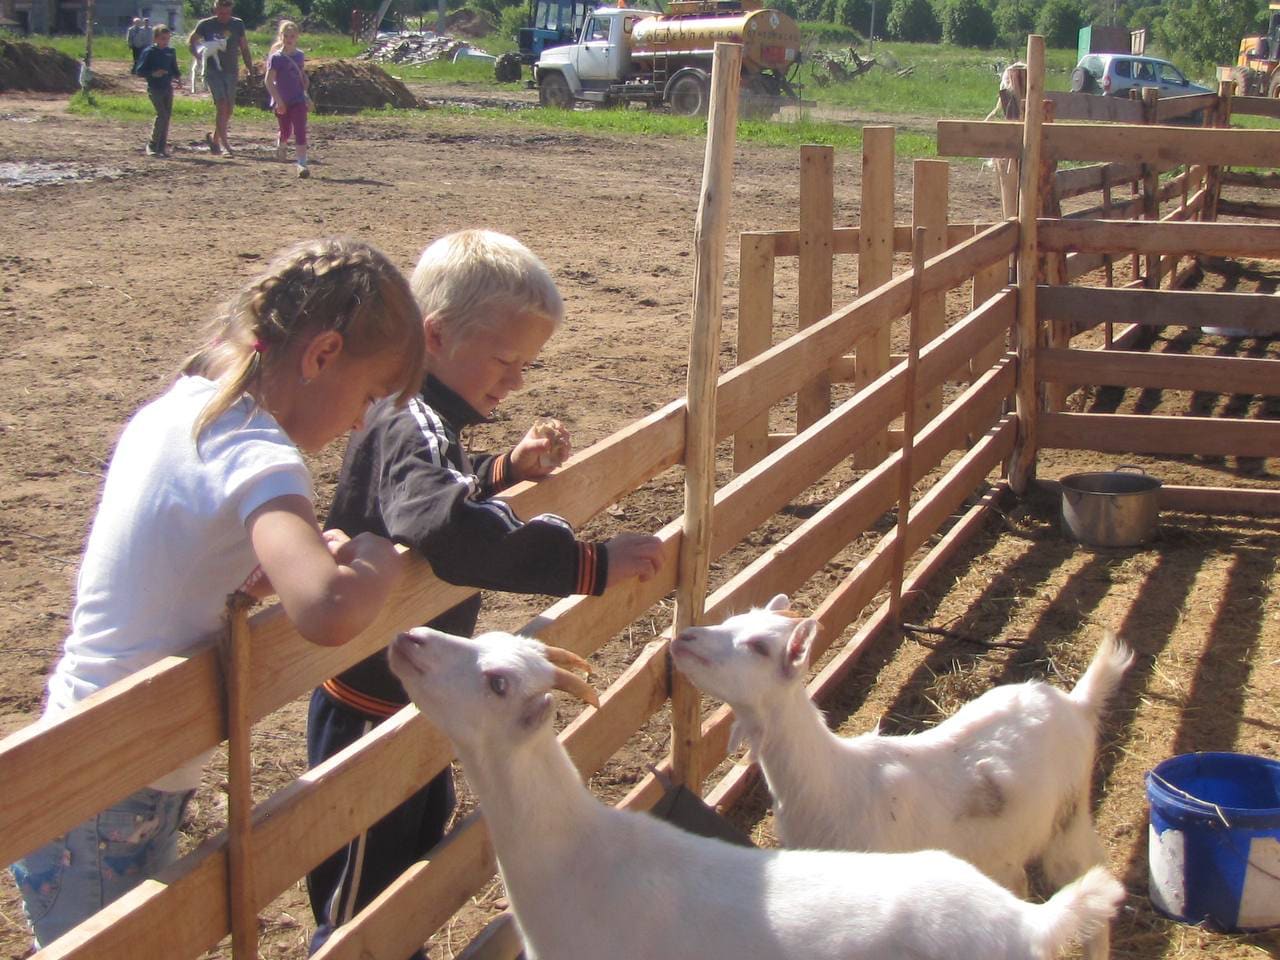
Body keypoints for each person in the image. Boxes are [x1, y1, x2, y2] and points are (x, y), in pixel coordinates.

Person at [9, 238, 427, 951]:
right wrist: (381, 553)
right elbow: (327, 609)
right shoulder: (260, 452)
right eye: (367, 397)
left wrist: (260, 567)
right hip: (115, 774)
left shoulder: (185, 407)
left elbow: (182, 550)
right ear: (323, 355)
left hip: (88, 753)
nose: (361, 422)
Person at [305, 230, 664, 958]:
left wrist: (502, 467)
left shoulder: (425, 418)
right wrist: (586, 565)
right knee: (360, 911)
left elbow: (436, 490)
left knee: (411, 872)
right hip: (372, 707)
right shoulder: (408, 417)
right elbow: (446, 527)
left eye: (526, 365)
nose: (517, 381)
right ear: (435, 336)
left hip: (415, 696)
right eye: (506, 360)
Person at [187, 0, 253, 157]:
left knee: (228, 109)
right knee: (221, 105)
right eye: (221, 13)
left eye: (227, 13)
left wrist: (250, 68)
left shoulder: (238, 24)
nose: (224, 16)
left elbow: (244, 47)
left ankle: (215, 139)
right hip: (213, 71)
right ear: (215, 10)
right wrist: (198, 56)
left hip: (231, 70)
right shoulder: (205, 25)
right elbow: (191, 41)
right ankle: (225, 145)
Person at [264, 20, 311, 178]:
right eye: (286, 35)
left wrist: (306, 86)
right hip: (282, 99)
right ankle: (282, 143)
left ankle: (302, 163)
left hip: (298, 98)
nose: (289, 39)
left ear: (297, 37)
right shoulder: (276, 58)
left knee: (300, 130)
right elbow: (269, 81)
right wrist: (278, 101)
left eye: (292, 36)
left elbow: (300, 76)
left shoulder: (300, 55)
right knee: (286, 130)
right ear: (281, 36)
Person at [134, 24, 181, 157]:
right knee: (162, 115)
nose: (165, 42)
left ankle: (161, 147)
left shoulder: (170, 51)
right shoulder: (149, 52)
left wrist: (178, 78)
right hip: (154, 87)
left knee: (167, 117)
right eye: (162, 39)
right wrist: (153, 73)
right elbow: (139, 71)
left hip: (167, 87)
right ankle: (152, 144)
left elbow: (174, 67)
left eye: (167, 39)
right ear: (155, 39)